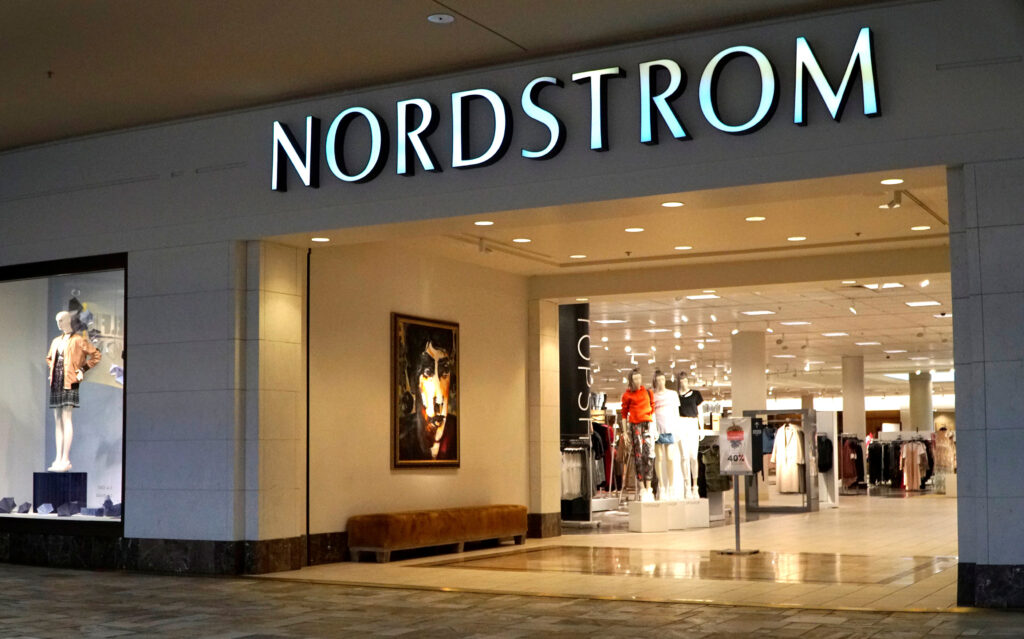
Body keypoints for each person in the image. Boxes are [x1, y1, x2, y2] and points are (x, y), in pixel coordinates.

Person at [45, 311, 101, 472]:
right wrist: (53, 371)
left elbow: (96, 355)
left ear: (68, 320)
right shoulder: (56, 341)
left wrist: (82, 369)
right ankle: (58, 457)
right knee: (58, 419)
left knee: (66, 417)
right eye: (57, 321)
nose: (59, 323)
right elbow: (49, 358)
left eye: (61, 320)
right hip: (57, 381)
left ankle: (65, 458)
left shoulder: (78, 340)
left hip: (70, 381)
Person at [397, 325, 457, 462]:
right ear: (412, 380)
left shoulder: (459, 434)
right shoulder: (400, 438)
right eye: (428, 373)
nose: (439, 400)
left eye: (444, 372)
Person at [620, 369, 655, 502]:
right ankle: (642, 488)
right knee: (638, 457)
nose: (638, 381)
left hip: (647, 424)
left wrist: (655, 429)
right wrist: (624, 432)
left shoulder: (648, 392)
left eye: (639, 378)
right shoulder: (627, 395)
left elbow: (653, 410)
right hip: (635, 426)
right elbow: (624, 415)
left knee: (649, 455)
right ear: (631, 380)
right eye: (635, 379)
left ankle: (649, 487)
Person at [651, 370, 682, 500]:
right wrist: (653, 430)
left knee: (670, 457)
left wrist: (677, 430)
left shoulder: (672, 394)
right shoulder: (652, 396)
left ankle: (671, 486)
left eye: (662, 379)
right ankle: (662, 486)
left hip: (670, 429)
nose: (661, 382)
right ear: (655, 381)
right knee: (659, 458)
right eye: (658, 380)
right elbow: (652, 414)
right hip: (658, 429)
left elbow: (676, 413)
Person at [676, 376, 703, 499]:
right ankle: (687, 486)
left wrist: (701, 428)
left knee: (693, 457)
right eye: (681, 381)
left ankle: (695, 486)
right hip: (681, 423)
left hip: (693, 423)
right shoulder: (676, 396)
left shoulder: (696, 394)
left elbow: (700, 412)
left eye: (685, 381)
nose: (683, 383)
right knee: (684, 457)